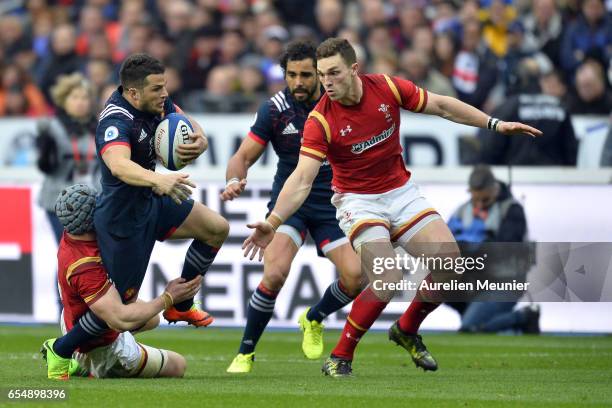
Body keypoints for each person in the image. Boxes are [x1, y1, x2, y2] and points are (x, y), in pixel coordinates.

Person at [242, 38, 541, 377]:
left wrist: (494, 124)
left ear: (354, 69)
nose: (327, 82)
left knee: (450, 265)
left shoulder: (385, 87)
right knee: (387, 275)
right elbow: (301, 179)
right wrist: (274, 219)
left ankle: (407, 329)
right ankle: (341, 355)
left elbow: (442, 106)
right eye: (322, 75)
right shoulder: (320, 120)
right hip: (358, 201)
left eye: (334, 73)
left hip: (400, 192)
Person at [43, 53, 229, 369]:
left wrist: (201, 140)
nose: (165, 94)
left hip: (153, 200)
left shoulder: (156, 102)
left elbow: (186, 121)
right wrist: (160, 180)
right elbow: (118, 165)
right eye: (157, 88)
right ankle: (61, 349)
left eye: (165, 86)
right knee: (122, 312)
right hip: (122, 219)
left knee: (216, 228)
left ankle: (181, 304)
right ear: (133, 93)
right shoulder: (115, 120)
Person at [221, 40, 362, 373]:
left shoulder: (338, 104)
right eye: (291, 75)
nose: (298, 82)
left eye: (305, 75)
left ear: (320, 74)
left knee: (356, 277)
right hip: (290, 205)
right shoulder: (274, 108)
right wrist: (233, 180)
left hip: (332, 204)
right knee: (274, 274)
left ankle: (313, 318)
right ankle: (245, 353)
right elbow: (242, 157)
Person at [41, 184, 202, 379]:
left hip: (72, 321)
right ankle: (84, 362)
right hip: (105, 350)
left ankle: (76, 357)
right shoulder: (85, 266)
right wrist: (168, 298)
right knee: (178, 365)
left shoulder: (72, 232)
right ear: (92, 217)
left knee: (152, 319)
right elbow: (121, 319)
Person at [447, 165, 540, 334]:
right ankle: (484, 319)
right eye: (476, 200)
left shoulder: (512, 210)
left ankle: (524, 317)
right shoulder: (461, 211)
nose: (480, 205)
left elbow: (502, 250)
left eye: (486, 200)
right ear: (470, 192)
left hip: (504, 283)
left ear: (495, 189)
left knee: (469, 328)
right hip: (473, 282)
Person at [36, 73, 99, 243]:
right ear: (64, 100)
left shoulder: (99, 128)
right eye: (75, 97)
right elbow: (45, 167)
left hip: (90, 201)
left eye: (85, 97)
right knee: (69, 249)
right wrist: (45, 149)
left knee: (86, 254)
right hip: (58, 200)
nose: (80, 102)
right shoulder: (52, 127)